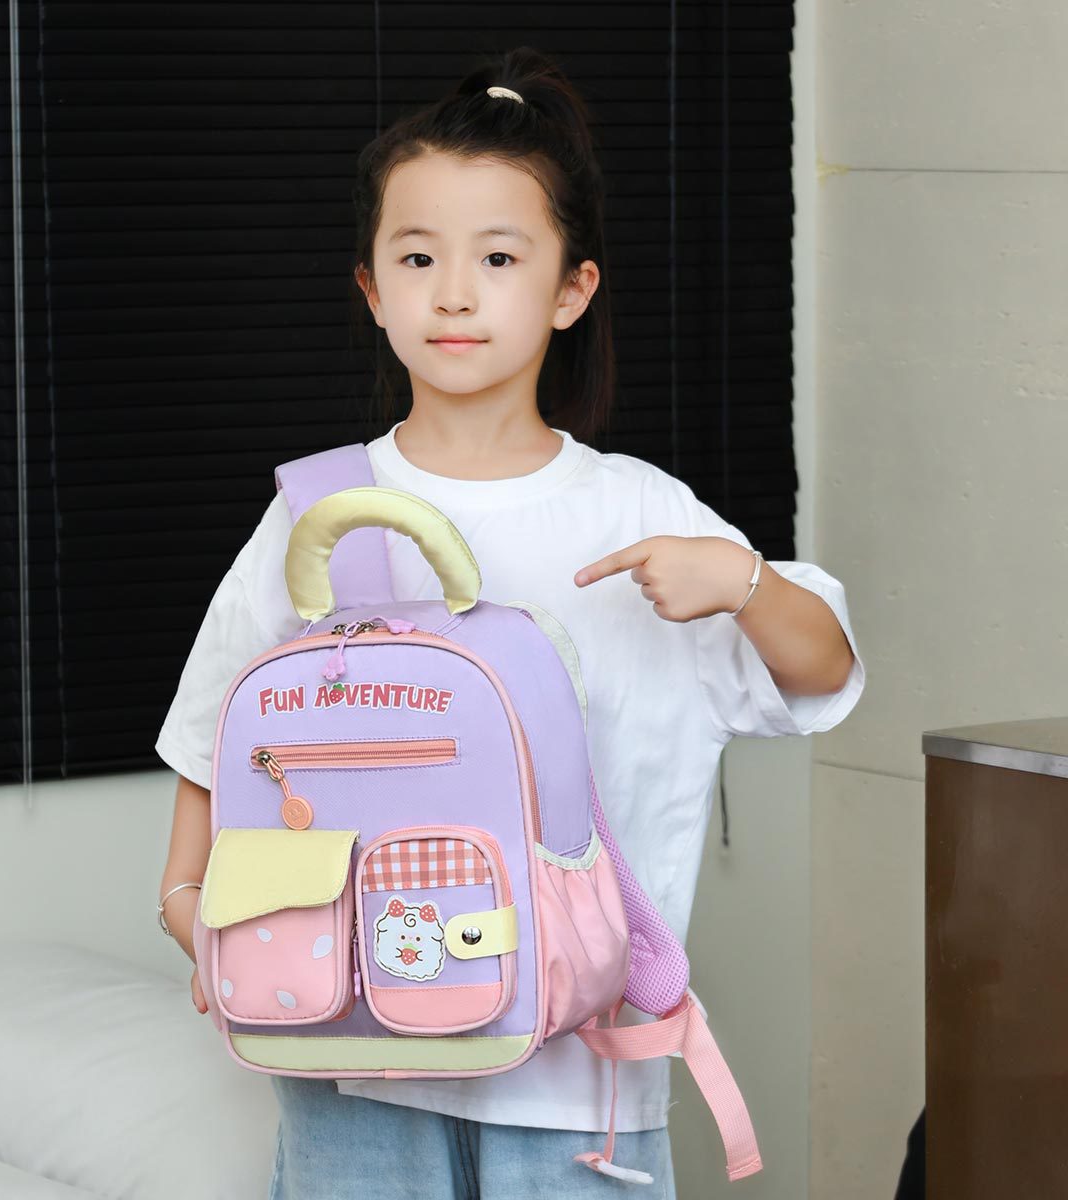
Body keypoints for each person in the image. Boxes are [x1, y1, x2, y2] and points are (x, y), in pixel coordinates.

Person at [154, 46, 865, 1200]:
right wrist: (190, 908)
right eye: (417, 257)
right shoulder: (317, 514)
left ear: (571, 290)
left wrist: (743, 580)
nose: (453, 293)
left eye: (497, 258)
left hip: (575, 1082)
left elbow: (822, 670)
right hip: (350, 1054)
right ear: (371, 289)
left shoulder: (637, 512)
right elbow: (213, 740)